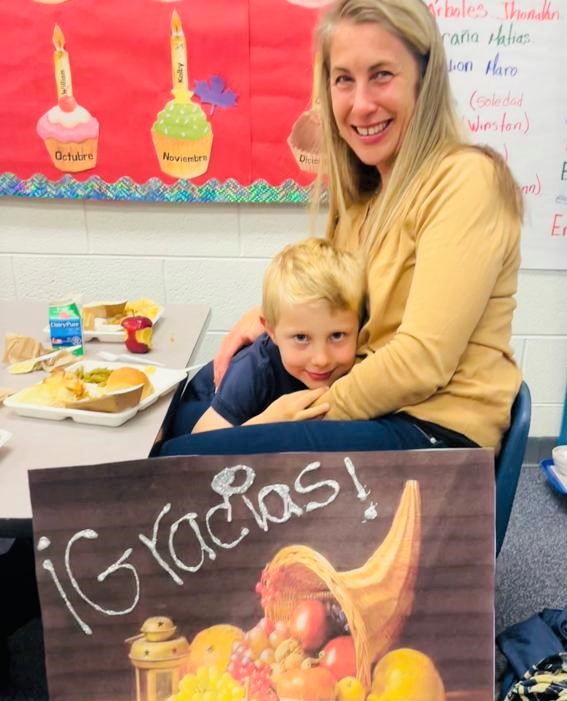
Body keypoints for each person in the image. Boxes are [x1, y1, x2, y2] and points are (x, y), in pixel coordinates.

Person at [159, 0, 523, 460]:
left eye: (382, 75)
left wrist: (291, 415)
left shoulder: (467, 179)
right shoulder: (365, 193)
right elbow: (333, 299)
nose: (362, 104)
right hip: (380, 405)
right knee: (186, 408)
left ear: (424, 81)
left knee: (177, 462)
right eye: (344, 79)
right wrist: (265, 318)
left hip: (434, 431)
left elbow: (420, 362)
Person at [190, 237, 366, 433]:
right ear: (271, 331)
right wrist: (270, 421)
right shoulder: (254, 369)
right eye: (301, 338)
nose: (321, 359)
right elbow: (201, 438)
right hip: (204, 405)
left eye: (337, 335)